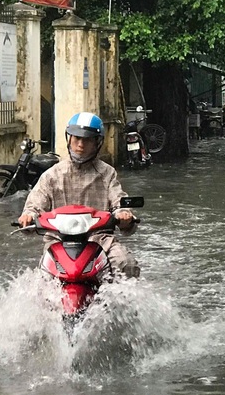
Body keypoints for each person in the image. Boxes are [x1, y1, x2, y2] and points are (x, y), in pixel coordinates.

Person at [17, 112, 140, 278]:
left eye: (87, 139)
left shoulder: (107, 173)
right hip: (58, 240)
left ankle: (120, 303)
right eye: (76, 138)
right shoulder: (52, 175)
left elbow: (119, 201)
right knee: (43, 278)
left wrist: (123, 215)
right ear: (69, 139)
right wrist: (28, 216)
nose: (80, 144)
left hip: (99, 240)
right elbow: (35, 204)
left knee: (126, 263)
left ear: (97, 142)